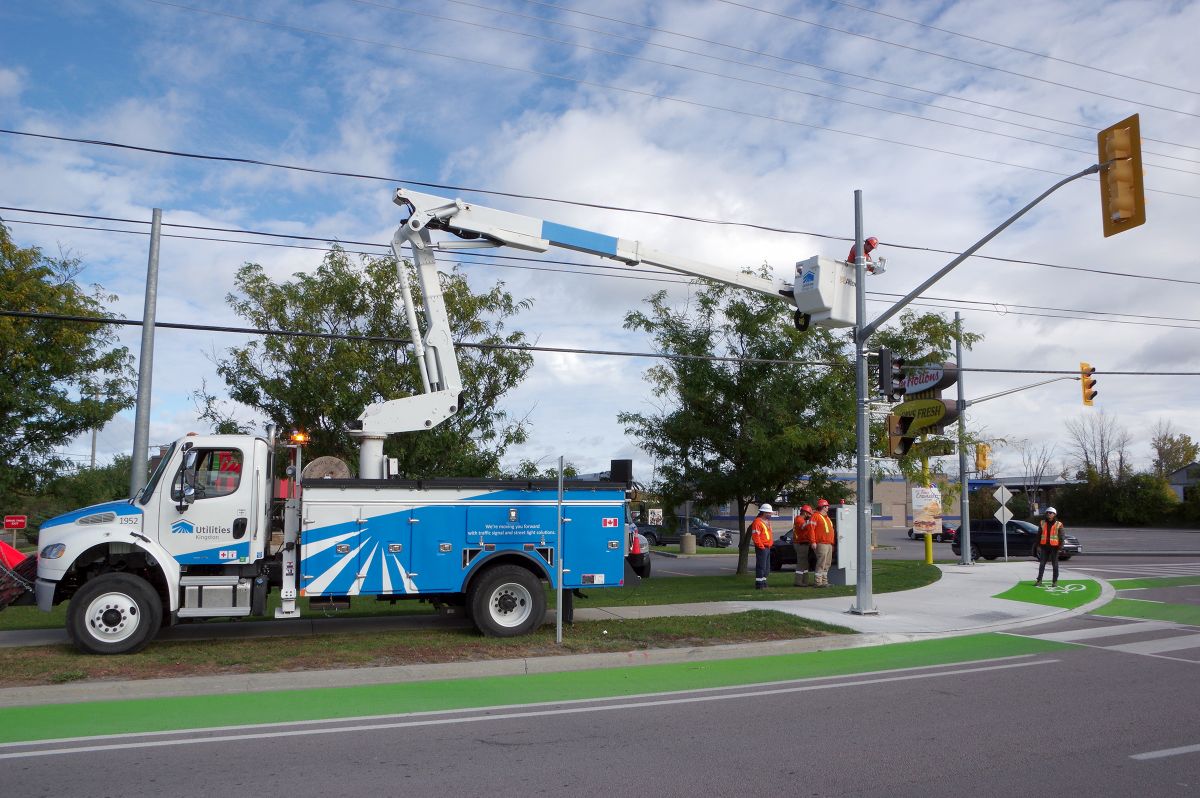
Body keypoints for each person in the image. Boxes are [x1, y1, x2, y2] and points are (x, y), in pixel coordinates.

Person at [1035, 506, 1065, 587]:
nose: (1048, 514)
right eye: (1047, 512)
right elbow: (1039, 535)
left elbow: (1062, 536)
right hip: (1044, 546)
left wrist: (1060, 547)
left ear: (1054, 514)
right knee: (1042, 564)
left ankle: (1054, 582)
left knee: (1055, 565)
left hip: (1054, 547)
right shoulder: (1042, 522)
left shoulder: (1059, 524)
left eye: (1050, 513)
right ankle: (1039, 580)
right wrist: (1037, 545)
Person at [750, 503, 775, 590]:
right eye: (769, 513)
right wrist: (761, 546)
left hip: (767, 547)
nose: (770, 514)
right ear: (764, 513)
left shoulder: (767, 522)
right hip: (762, 547)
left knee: (767, 567)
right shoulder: (757, 522)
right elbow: (756, 536)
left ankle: (764, 582)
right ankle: (759, 584)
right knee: (761, 566)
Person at [811, 498, 836, 587]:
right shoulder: (816, 516)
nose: (828, 508)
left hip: (828, 544)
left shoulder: (827, 518)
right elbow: (811, 530)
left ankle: (824, 581)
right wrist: (813, 542)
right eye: (826, 506)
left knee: (827, 563)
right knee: (821, 562)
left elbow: (831, 531)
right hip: (821, 543)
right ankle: (818, 582)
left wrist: (832, 544)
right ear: (822, 507)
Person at [792, 505, 816, 586]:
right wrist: (811, 520)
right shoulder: (799, 519)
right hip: (800, 544)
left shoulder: (801, 519)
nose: (810, 515)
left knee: (805, 564)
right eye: (809, 514)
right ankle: (798, 581)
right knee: (801, 563)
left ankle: (805, 581)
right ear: (805, 513)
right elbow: (804, 527)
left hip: (803, 544)